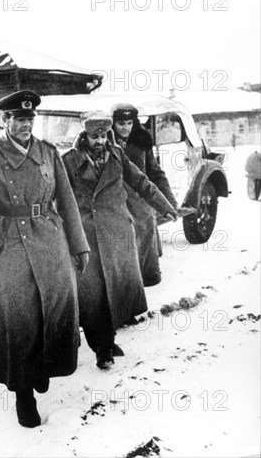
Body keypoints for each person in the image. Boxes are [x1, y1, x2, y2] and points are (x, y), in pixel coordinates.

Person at [0, 90, 89, 429]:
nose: (25, 125)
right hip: (9, 247)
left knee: (56, 308)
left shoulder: (48, 153)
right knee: (19, 321)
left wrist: (79, 246)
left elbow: (67, 200)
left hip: (50, 238)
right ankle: (23, 393)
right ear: (5, 122)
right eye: (18, 120)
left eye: (30, 119)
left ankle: (43, 366)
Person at [62, 112, 178, 370]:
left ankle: (106, 343)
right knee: (93, 294)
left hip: (117, 233)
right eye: (94, 136)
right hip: (86, 235)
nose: (100, 141)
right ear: (84, 137)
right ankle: (101, 345)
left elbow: (142, 182)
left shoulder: (117, 155)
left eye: (103, 135)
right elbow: (60, 198)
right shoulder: (69, 161)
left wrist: (166, 207)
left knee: (114, 290)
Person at [111, 104, 178, 288]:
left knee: (143, 255)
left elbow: (155, 173)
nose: (125, 127)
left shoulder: (142, 142)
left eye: (129, 123)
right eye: (120, 123)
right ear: (113, 124)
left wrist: (169, 203)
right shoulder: (105, 142)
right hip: (115, 205)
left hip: (140, 206)